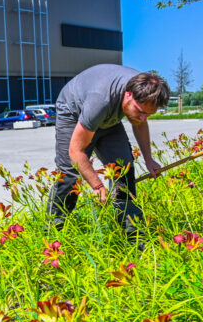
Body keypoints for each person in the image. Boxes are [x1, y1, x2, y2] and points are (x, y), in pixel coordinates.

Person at [47, 65, 170, 240]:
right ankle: (53, 234)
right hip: (74, 111)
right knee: (68, 174)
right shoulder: (100, 100)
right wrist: (97, 185)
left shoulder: (145, 91)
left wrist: (149, 159)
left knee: (123, 170)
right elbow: (76, 151)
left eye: (148, 115)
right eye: (141, 112)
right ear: (128, 94)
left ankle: (134, 236)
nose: (143, 118)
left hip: (109, 117)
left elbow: (140, 123)